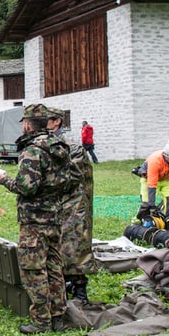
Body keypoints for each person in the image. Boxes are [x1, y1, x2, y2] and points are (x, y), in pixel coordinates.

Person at [0, 104, 71, 334]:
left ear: (27, 124)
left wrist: (3, 180)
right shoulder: (60, 146)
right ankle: (58, 317)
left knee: (33, 269)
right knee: (54, 266)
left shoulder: (33, 150)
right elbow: (68, 181)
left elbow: (26, 187)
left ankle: (41, 322)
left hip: (34, 221)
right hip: (55, 216)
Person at [48, 108, 94, 302]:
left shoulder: (71, 147)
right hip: (60, 204)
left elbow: (69, 178)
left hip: (75, 204)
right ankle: (64, 283)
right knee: (60, 245)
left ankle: (80, 289)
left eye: (46, 120)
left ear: (56, 122)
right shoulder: (51, 144)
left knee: (74, 246)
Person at [137, 144, 169, 218]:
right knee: (147, 204)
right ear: (165, 155)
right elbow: (152, 184)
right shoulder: (155, 161)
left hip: (166, 180)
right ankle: (139, 221)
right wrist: (152, 205)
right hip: (149, 180)